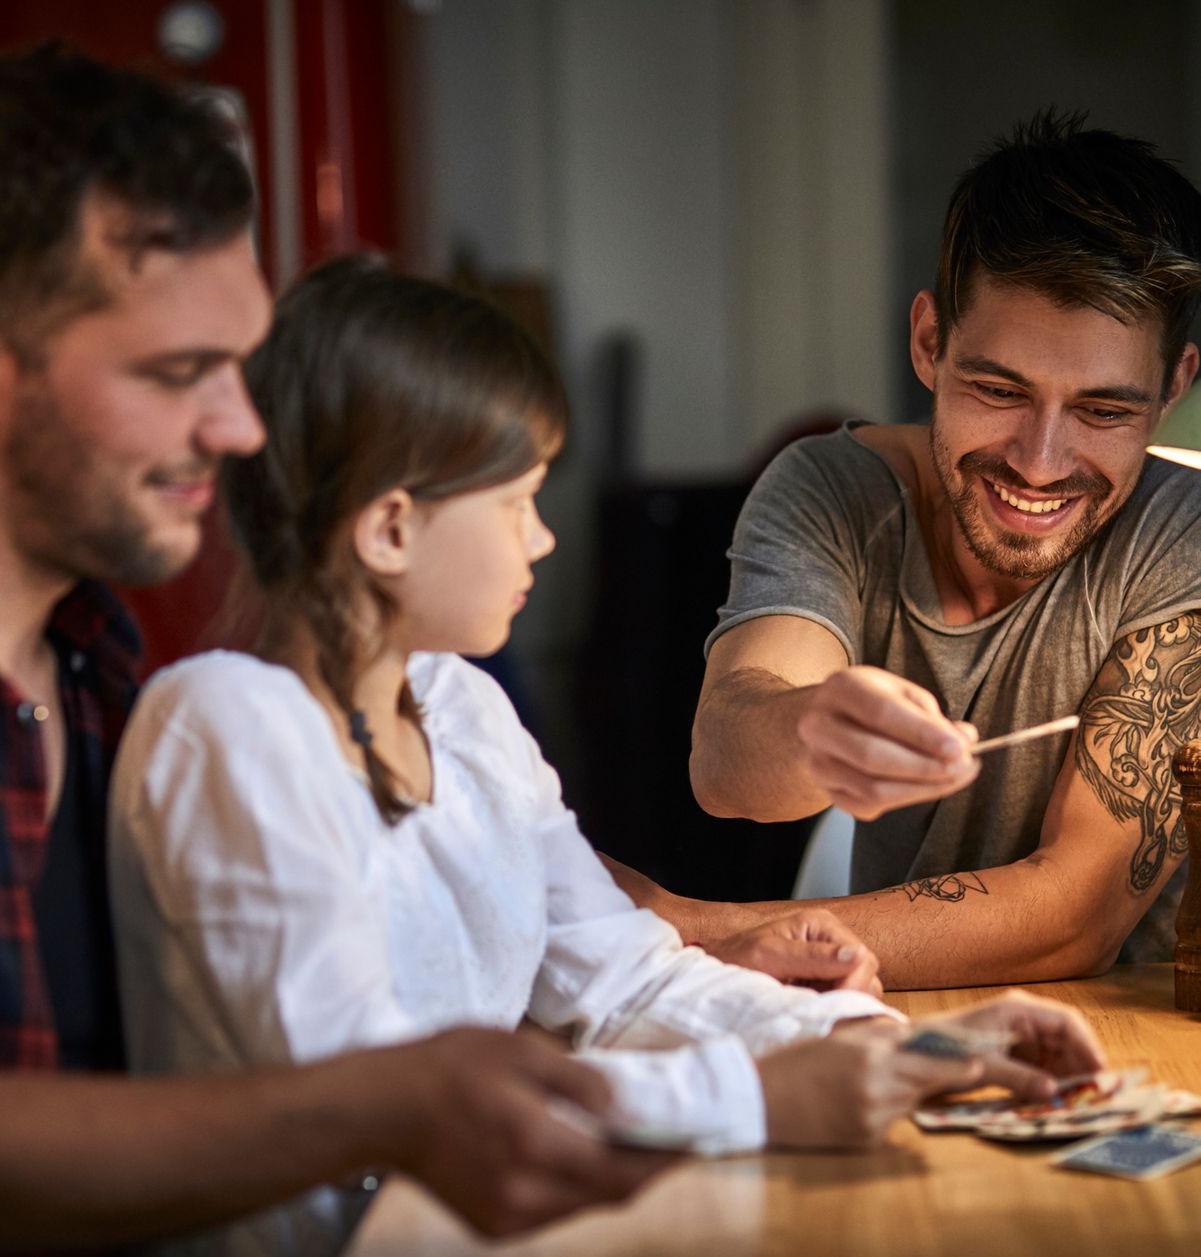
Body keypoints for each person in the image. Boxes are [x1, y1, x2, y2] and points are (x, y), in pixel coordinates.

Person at [108, 257, 1106, 1257]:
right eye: (517, 502)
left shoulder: (462, 709)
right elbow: (383, 1106)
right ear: (391, 529)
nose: (542, 540)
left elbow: (625, 984)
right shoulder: (225, 729)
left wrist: (882, 1046)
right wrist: (758, 1096)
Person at [0, 44, 670, 1251]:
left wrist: (711, 943)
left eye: (239, 367)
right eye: (182, 373)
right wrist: (406, 1101)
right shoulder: (184, 706)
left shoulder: (94, 667)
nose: (235, 428)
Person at [615, 111, 1201, 990]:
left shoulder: (1182, 534)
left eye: (1103, 411)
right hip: (898, 1036)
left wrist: (696, 930)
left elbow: (1072, 918)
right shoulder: (830, 490)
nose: (1038, 464)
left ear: (1174, 388)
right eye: (997, 389)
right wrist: (809, 728)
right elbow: (727, 771)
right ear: (928, 342)